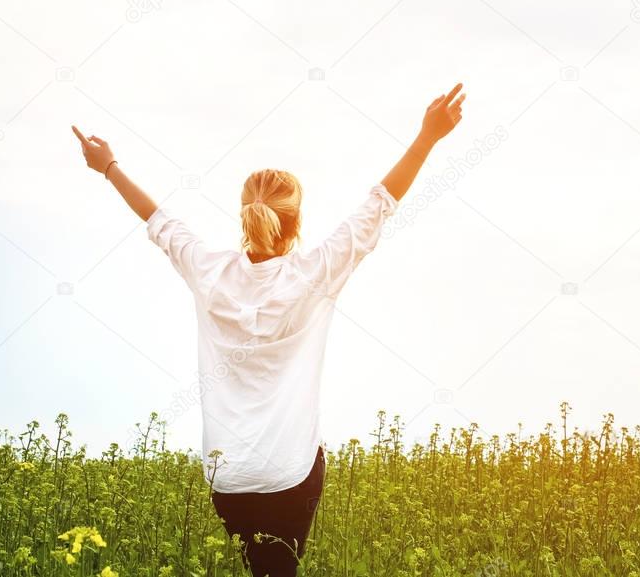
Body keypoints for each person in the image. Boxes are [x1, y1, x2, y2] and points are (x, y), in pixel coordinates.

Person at [71, 83, 466, 576]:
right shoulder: (315, 272)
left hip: (226, 474)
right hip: (289, 471)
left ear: (244, 216)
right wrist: (428, 137)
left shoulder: (209, 271)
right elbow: (380, 202)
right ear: (296, 221)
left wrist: (108, 166)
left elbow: (159, 221)